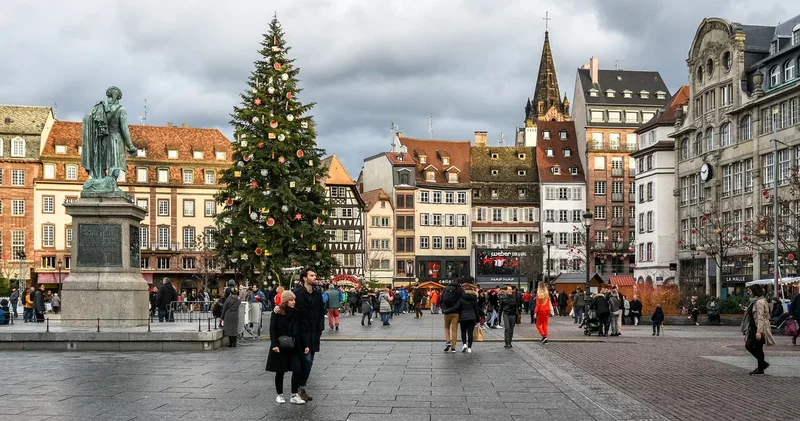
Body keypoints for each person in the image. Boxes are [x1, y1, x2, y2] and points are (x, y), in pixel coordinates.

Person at [266, 290, 307, 405]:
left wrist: (305, 345)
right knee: (280, 370)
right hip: (280, 345)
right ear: (285, 301)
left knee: (297, 368)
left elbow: (300, 330)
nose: (293, 302)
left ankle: (294, 394)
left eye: (294, 299)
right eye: (291, 300)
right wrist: (274, 344)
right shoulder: (277, 313)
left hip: (293, 345)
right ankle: (279, 394)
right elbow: (272, 329)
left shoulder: (296, 312)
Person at [293, 269, 325, 402]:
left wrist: (320, 328)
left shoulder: (318, 295)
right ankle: (298, 389)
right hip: (301, 334)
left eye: (315, 275)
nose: (314, 277)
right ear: (305, 278)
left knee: (309, 362)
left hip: (314, 334)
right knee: (305, 361)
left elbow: (321, 311)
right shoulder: (297, 294)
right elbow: (289, 308)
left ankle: (300, 387)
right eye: (312, 275)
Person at [744, 284, 775, 375]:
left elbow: (761, 317)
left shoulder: (759, 302)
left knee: (749, 345)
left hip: (757, 327)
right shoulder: (758, 301)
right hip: (755, 326)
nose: (749, 292)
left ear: (754, 291)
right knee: (758, 348)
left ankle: (762, 364)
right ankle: (761, 367)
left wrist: (759, 332)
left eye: (750, 291)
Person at [458, 282, 480, 353]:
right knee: (470, 333)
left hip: (463, 317)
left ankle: (464, 344)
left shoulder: (461, 298)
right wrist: (478, 319)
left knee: (463, 331)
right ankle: (469, 348)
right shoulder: (474, 299)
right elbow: (476, 310)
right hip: (472, 317)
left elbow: (459, 308)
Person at [441, 281, 461, 353]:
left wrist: (444, 309)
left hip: (447, 312)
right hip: (456, 312)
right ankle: (453, 347)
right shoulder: (458, 289)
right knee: (454, 330)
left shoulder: (446, 288)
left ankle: (448, 341)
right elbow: (461, 300)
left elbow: (441, 300)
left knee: (446, 327)